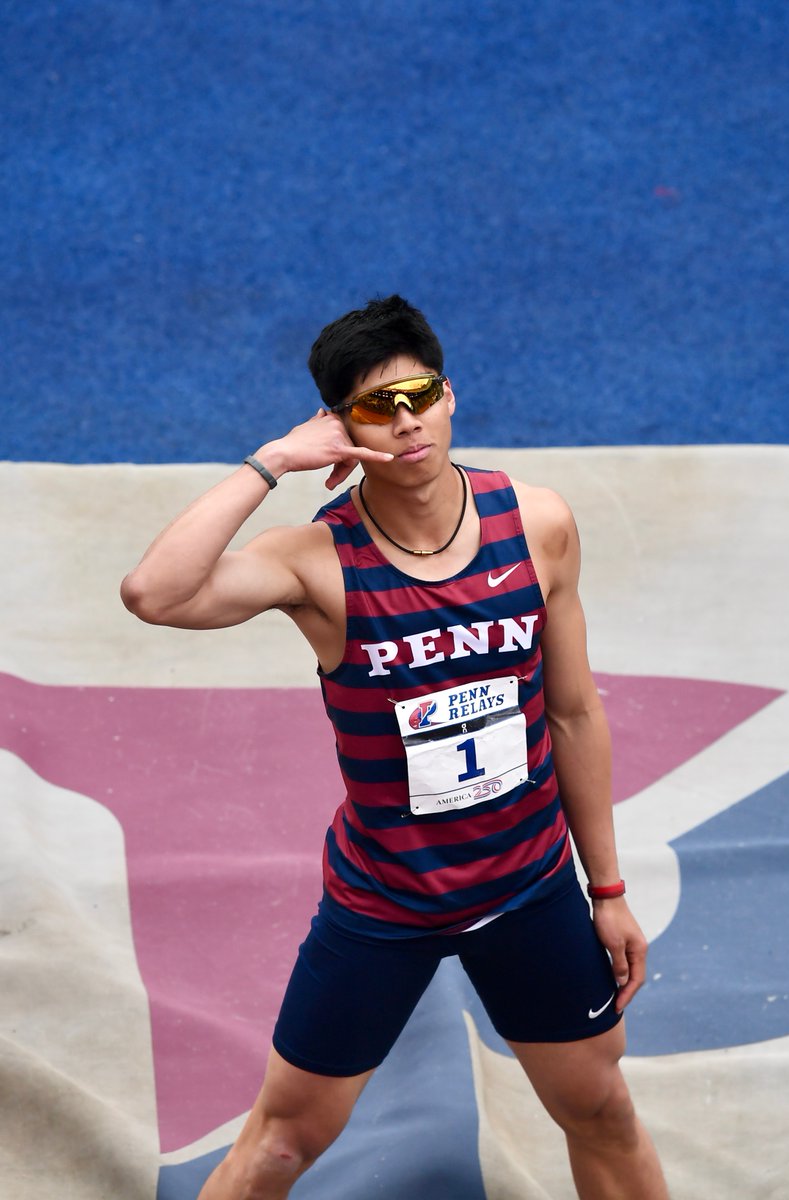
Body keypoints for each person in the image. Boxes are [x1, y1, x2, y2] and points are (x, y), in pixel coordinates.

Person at [121, 295, 669, 1199]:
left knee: (601, 1109)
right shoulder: (316, 562)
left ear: (450, 395)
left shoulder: (537, 525)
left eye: (418, 394)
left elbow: (571, 715)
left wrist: (604, 891)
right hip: (385, 905)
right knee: (284, 1143)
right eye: (375, 407)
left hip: (531, 890)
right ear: (341, 428)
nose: (406, 420)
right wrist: (272, 462)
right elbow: (155, 594)